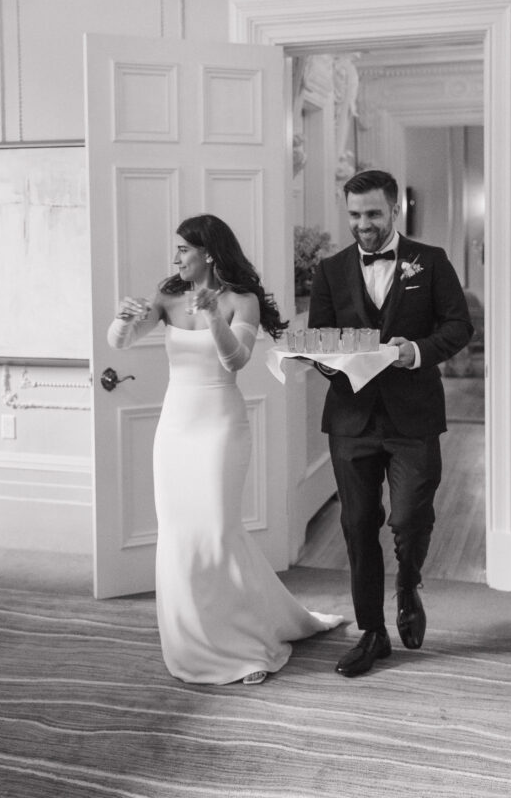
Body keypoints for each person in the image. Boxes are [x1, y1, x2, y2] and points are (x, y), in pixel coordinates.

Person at [108, 213, 343, 686]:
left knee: (217, 530)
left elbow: (235, 360)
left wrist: (215, 316)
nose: (175, 258)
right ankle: (191, 641)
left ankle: (243, 642)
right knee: (179, 534)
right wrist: (122, 318)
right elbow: (121, 343)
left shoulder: (243, 300)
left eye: (183, 250)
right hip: (175, 428)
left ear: (208, 253)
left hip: (220, 428)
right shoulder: (167, 294)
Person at [308, 169, 474, 677]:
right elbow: (320, 338)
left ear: (394, 210)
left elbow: (458, 327)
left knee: (408, 519)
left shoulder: (431, 261)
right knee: (358, 527)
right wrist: (323, 358)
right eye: (355, 215)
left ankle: (408, 581)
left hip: (413, 417)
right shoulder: (331, 269)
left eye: (374, 215)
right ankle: (372, 634)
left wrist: (416, 351)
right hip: (351, 419)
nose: (364, 225)